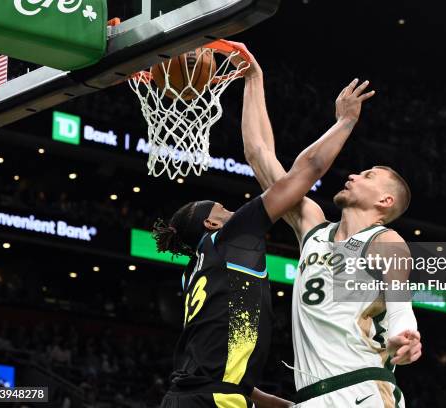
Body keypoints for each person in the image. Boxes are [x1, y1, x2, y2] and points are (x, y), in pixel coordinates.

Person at [151, 43, 375, 408]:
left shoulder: (210, 267)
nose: (235, 209)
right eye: (224, 207)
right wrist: (344, 121)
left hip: (211, 396)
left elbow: (230, 373)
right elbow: (299, 169)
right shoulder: (239, 236)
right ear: (211, 223)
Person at [240, 45, 422, 407]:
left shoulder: (387, 241)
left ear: (385, 202)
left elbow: (401, 304)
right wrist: (252, 78)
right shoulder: (313, 226)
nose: (354, 175)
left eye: (368, 175)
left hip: (364, 392)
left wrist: (406, 335)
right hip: (313, 397)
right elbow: (259, 154)